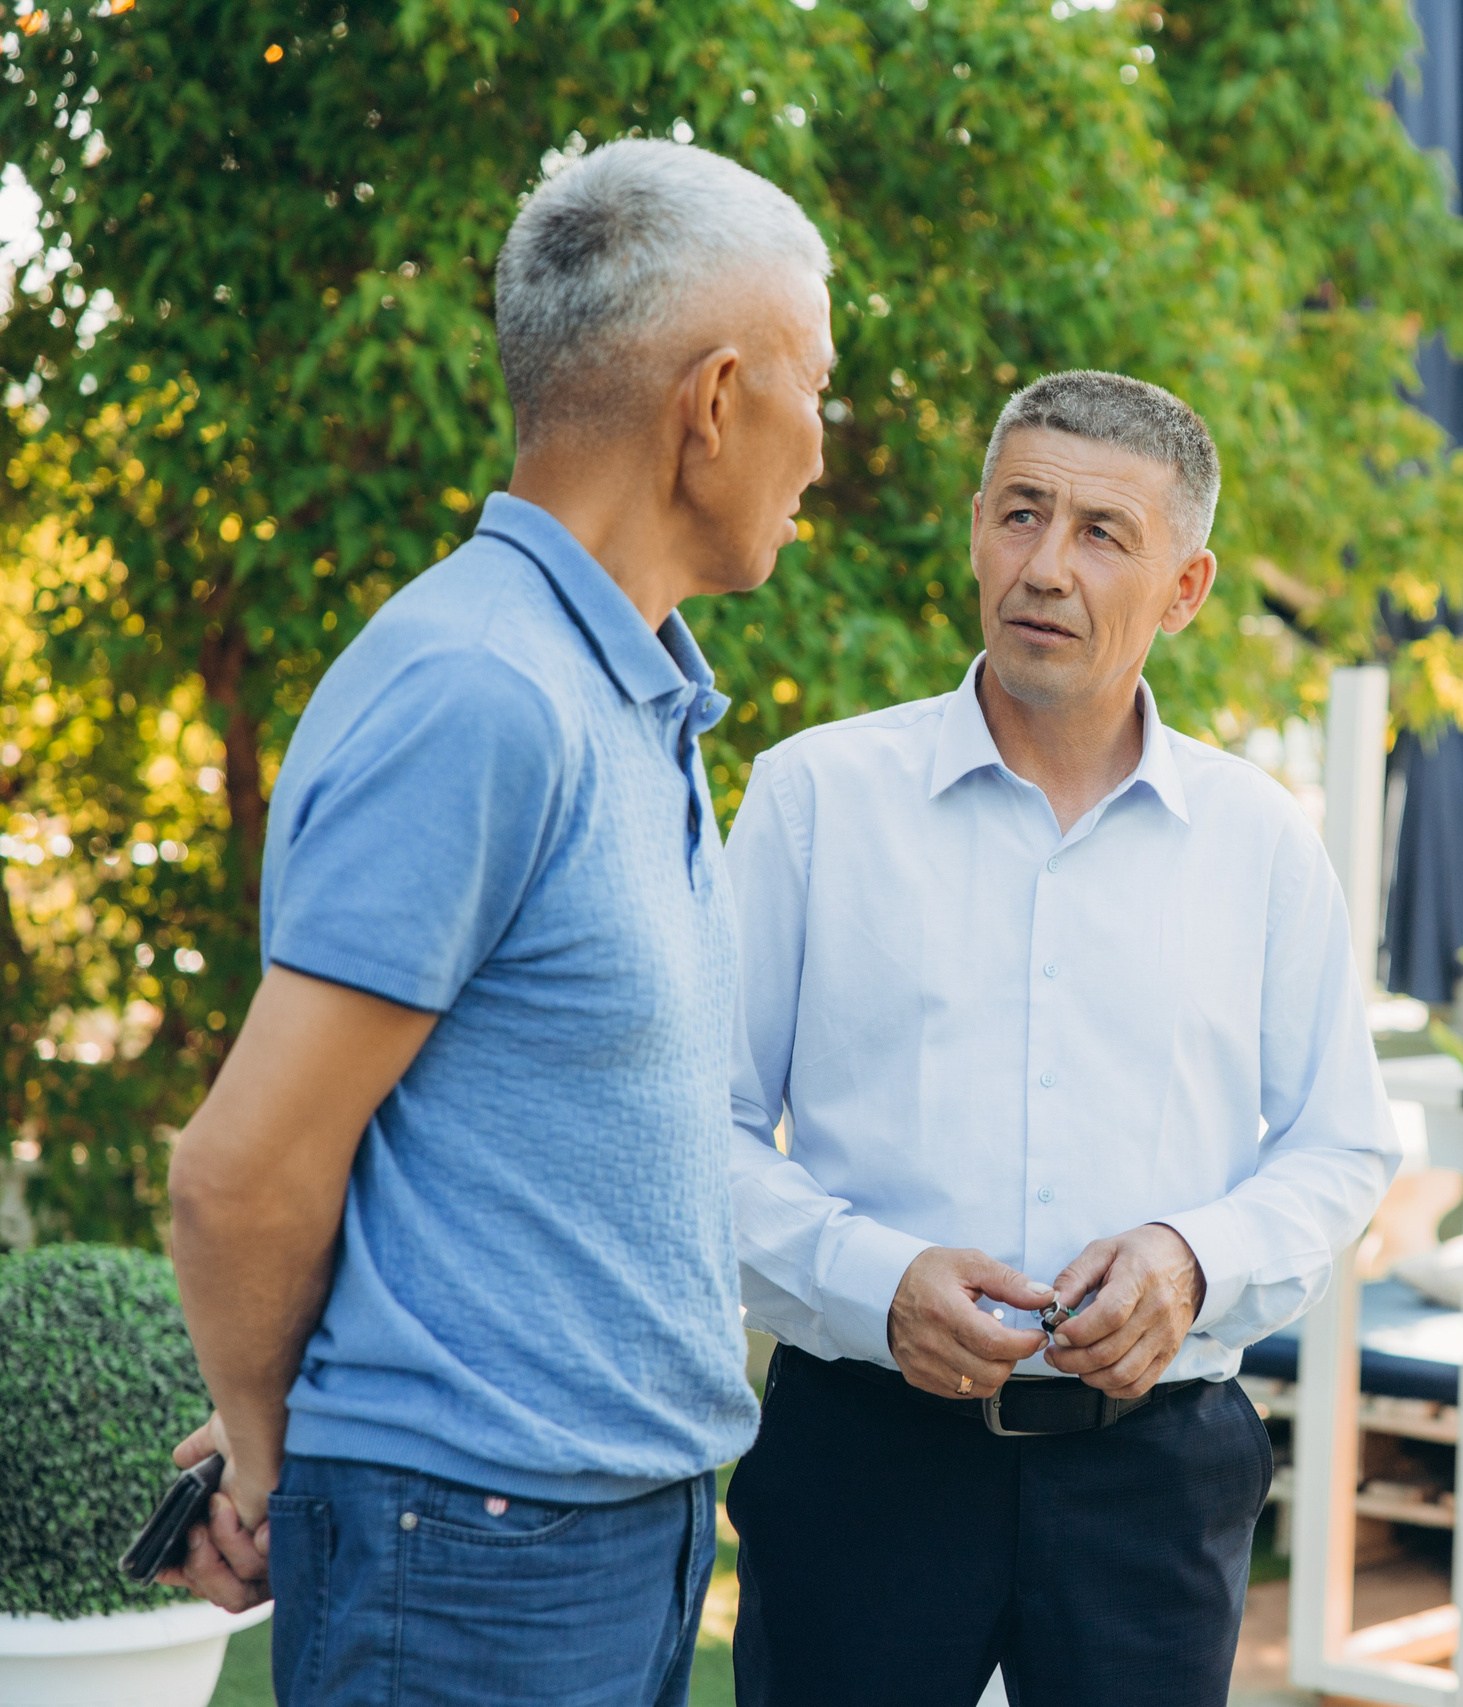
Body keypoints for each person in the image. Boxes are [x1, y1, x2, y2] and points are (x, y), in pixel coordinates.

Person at [155, 139, 835, 1707]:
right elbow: (240, 1168)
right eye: (816, 388)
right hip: (474, 1556)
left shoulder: (616, 687)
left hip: (592, 1541)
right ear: (715, 401)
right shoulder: (484, 693)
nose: (822, 446)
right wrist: (272, 1453)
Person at [723, 370, 1397, 1707]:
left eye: (1101, 533)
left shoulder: (1258, 837)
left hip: (1157, 1483)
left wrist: (1193, 1260)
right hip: (864, 1462)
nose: (1046, 565)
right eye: (1020, 514)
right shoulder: (813, 797)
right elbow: (692, 1128)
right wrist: (873, 1276)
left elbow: (1340, 1145)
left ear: (1187, 588)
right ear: (975, 526)